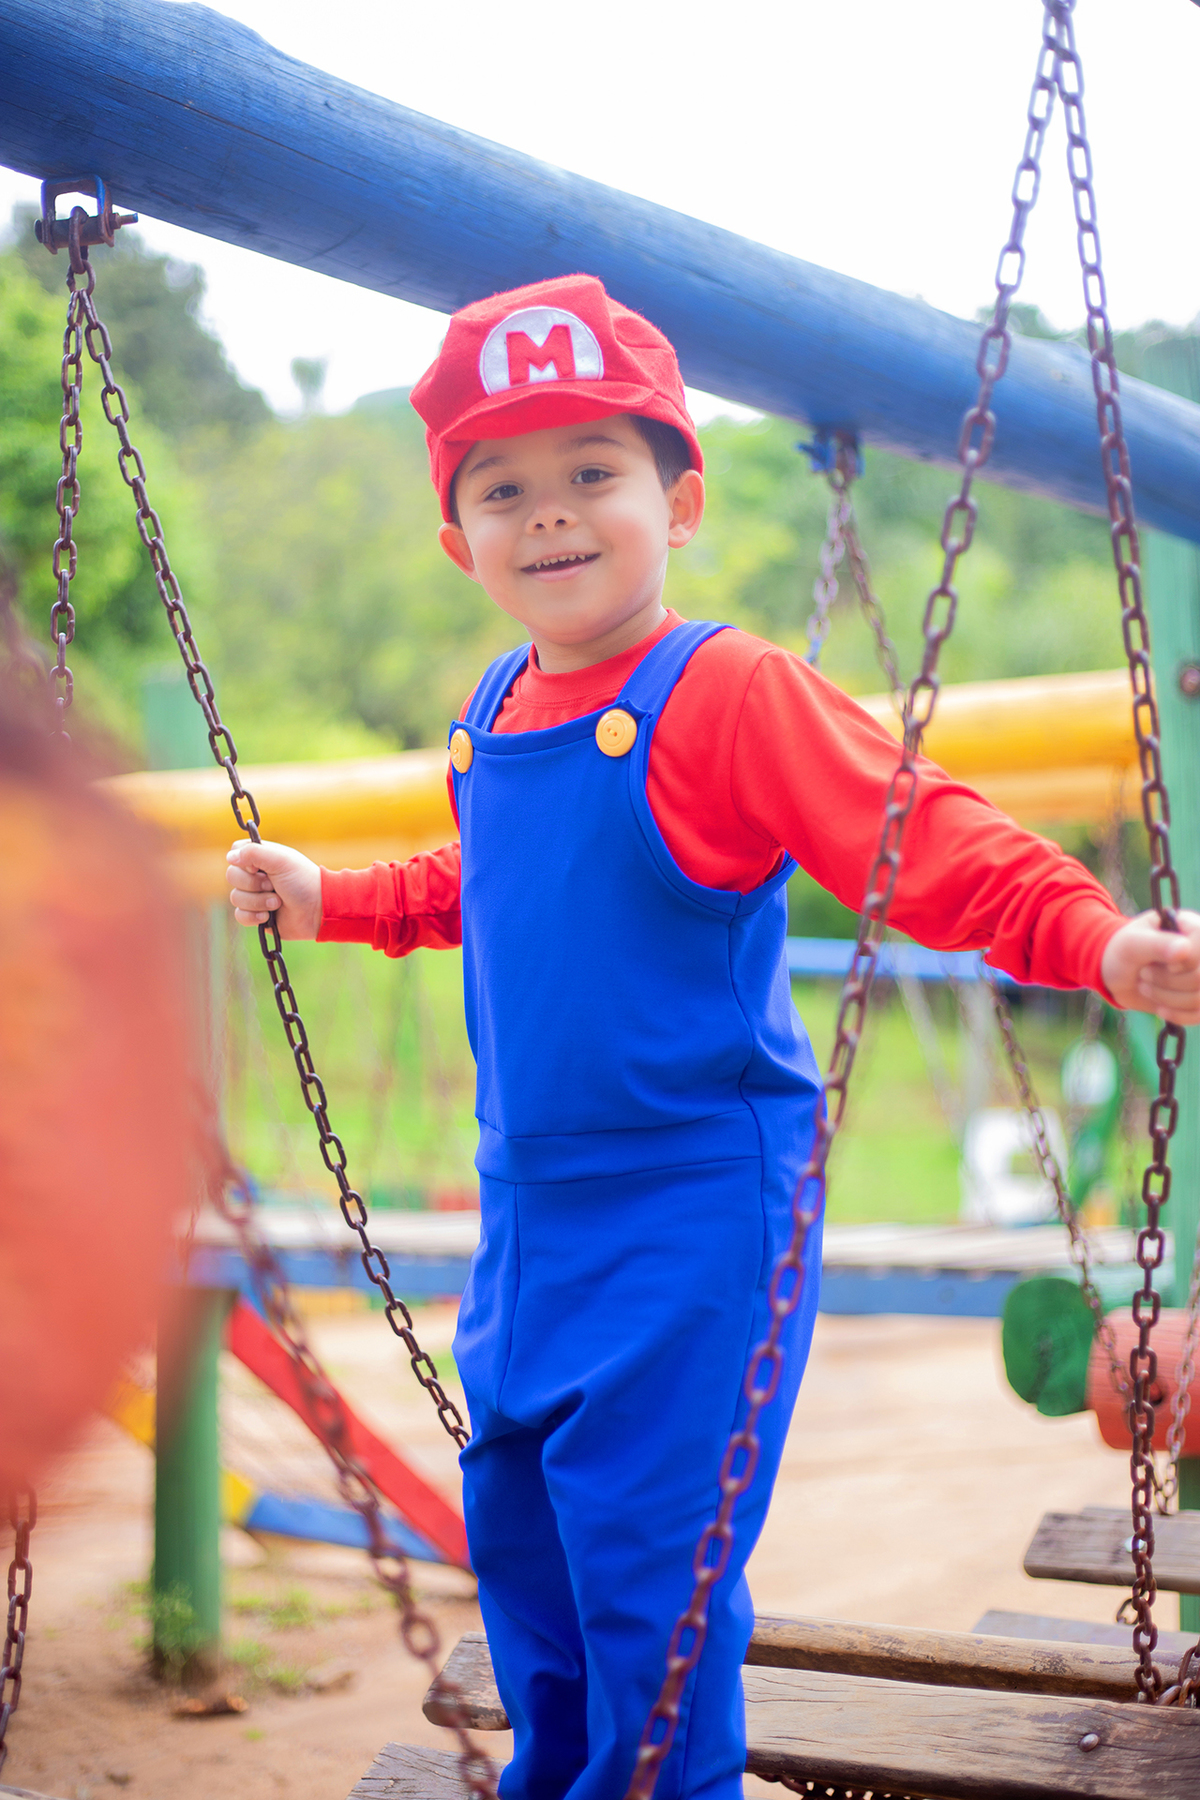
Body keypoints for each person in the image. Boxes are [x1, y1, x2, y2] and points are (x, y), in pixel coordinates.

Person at [226, 274, 1200, 1800]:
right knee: (523, 1533)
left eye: (592, 474)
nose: (551, 516)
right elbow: (482, 884)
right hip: (531, 1208)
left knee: (647, 1572)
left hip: (694, 1200)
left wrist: (1095, 937)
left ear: (678, 501)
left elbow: (915, 835)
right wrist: (328, 897)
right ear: (456, 537)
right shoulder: (499, 706)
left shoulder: (726, 690)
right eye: (506, 486)